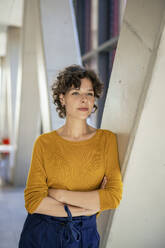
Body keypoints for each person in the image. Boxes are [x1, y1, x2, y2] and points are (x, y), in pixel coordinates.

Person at [18, 64, 123, 248]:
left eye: (89, 93)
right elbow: (34, 202)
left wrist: (58, 194)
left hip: (85, 235)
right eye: (75, 92)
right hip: (43, 233)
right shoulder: (44, 143)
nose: (84, 99)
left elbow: (113, 197)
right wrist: (87, 206)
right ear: (62, 98)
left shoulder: (106, 140)